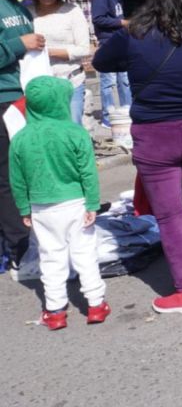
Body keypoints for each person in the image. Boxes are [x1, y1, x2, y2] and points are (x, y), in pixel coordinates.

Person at [92, 0, 182, 314]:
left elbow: (101, 62)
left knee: (169, 214)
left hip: (155, 134)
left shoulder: (132, 35)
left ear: (154, 4)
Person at [10, 76, 109, 330]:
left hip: (41, 207)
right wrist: (92, 203)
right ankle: (96, 304)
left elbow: (17, 180)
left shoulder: (20, 139)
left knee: (51, 257)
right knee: (84, 253)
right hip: (75, 202)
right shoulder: (75, 132)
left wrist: (24, 208)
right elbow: (88, 172)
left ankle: (55, 311)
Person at [0, 0, 39, 274]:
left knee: (23, 175)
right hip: (2, 102)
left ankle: (26, 241)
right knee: (7, 178)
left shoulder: (20, 8)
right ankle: (19, 247)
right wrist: (19, 44)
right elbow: (15, 47)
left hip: (22, 99)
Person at [27, 0, 90, 125]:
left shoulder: (72, 11)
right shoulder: (26, 13)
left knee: (71, 126)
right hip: (38, 84)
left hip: (70, 81)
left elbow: (84, 49)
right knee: (43, 129)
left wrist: (48, 52)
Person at [92, 0, 138, 127]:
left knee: (124, 79)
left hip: (120, 39)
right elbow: (98, 19)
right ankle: (107, 117)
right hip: (107, 41)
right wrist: (122, 22)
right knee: (108, 81)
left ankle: (128, 112)